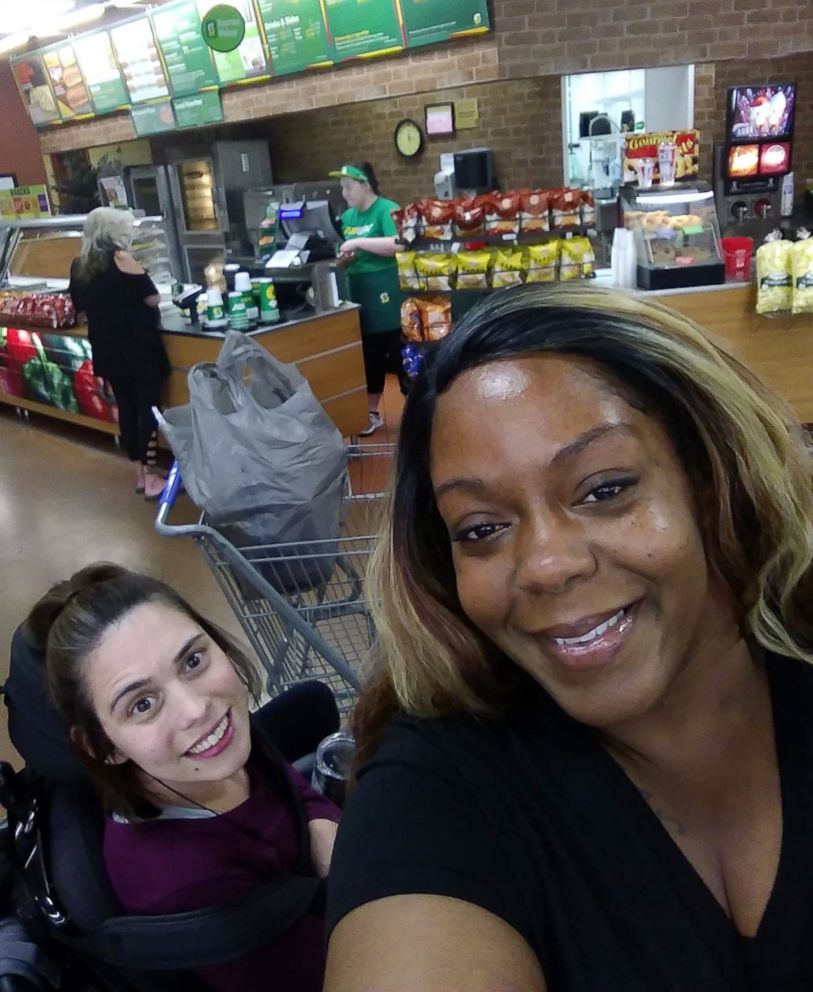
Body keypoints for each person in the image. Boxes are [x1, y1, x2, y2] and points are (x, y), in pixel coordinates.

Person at [324, 283, 813, 991]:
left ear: (715, 479)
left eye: (603, 488)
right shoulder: (437, 790)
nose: (546, 566)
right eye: (481, 530)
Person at [26, 563, 340, 992]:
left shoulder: (214, 747)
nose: (196, 708)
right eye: (142, 704)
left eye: (193, 660)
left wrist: (322, 826)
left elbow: (291, 788)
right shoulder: (184, 885)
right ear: (105, 747)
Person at [68, 208, 170, 500]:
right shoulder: (121, 258)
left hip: (107, 349)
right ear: (112, 231)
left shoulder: (79, 266)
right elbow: (152, 297)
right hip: (138, 348)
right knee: (148, 409)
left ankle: (141, 473)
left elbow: (82, 313)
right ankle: (151, 478)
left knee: (127, 409)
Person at [330, 162, 402, 436]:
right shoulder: (347, 218)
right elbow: (341, 255)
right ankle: (370, 412)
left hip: (387, 293)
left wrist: (358, 244)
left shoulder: (387, 209)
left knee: (396, 352)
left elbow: (399, 243)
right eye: (342, 189)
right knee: (368, 355)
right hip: (358, 293)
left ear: (365, 185)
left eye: (348, 187)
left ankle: (418, 412)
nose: (345, 194)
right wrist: (343, 259)